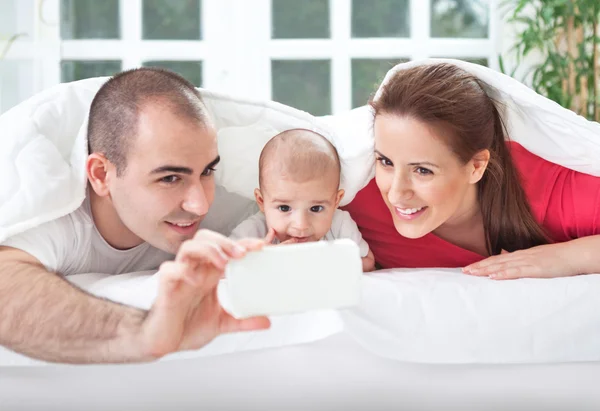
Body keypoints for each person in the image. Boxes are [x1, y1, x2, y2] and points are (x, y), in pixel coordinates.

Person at [0, 67, 270, 364]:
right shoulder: (61, 218)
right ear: (101, 175)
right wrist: (143, 333)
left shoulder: (230, 205)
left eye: (207, 171)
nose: (200, 205)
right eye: (170, 178)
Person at [344, 63, 600, 279]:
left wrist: (564, 258)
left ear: (476, 166)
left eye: (422, 170)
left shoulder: (548, 186)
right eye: (386, 162)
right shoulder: (354, 200)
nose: (396, 194)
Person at [230, 128, 375, 272]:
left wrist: (326, 262)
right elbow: (221, 268)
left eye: (316, 208)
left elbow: (368, 262)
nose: (301, 225)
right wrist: (263, 260)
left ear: (336, 201)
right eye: (284, 208)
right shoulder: (254, 231)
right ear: (261, 201)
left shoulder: (339, 224)